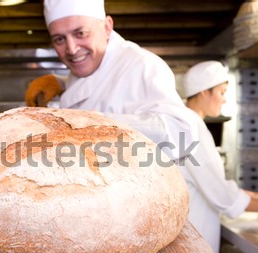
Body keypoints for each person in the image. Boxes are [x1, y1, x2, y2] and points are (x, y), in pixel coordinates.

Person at [25, 0, 198, 162]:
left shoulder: (140, 65)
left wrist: (102, 125)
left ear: (107, 27)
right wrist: (60, 83)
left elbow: (182, 133)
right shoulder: (91, 64)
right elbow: (95, 84)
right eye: (59, 39)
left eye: (81, 33)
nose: (72, 49)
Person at [180, 60, 258, 253]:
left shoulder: (189, 124)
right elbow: (220, 194)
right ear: (204, 92)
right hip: (194, 239)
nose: (224, 99)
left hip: (192, 234)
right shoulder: (191, 129)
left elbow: (212, 182)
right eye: (221, 92)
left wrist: (257, 196)